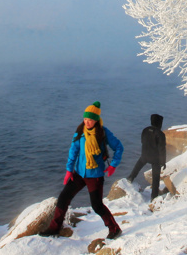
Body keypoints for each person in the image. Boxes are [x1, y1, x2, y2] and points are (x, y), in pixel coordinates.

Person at [39, 101, 124, 239]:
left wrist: (113, 165)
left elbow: (119, 147)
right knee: (63, 198)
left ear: (96, 120)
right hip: (79, 173)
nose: (87, 122)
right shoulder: (80, 132)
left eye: (90, 120)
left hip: (95, 175)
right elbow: (73, 151)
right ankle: (54, 228)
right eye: (85, 119)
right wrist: (68, 170)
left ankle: (114, 229)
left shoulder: (103, 133)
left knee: (97, 205)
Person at [128, 114, 167, 199]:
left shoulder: (145, 130)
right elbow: (162, 150)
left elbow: (142, 141)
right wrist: (163, 162)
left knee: (138, 166)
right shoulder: (160, 134)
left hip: (145, 155)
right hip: (155, 158)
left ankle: (131, 177)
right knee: (155, 178)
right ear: (159, 123)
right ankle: (154, 197)